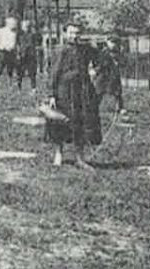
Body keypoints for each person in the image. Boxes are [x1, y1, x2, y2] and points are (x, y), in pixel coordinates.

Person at [44, 22, 101, 169]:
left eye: (77, 33)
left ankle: (79, 158)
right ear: (65, 34)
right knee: (59, 122)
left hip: (82, 90)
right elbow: (53, 73)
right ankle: (58, 154)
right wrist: (51, 94)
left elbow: (101, 59)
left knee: (80, 123)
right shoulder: (60, 50)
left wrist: (95, 70)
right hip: (64, 90)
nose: (74, 36)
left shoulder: (85, 49)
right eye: (71, 33)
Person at [94, 33, 126, 114]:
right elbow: (100, 62)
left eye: (115, 43)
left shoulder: (119, 53)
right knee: (99, 90)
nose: (113, 45)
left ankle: (120, 107)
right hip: (103, 74)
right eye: (111, 42)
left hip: (113, 74)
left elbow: (123, 63)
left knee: (117, 91)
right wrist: (98, 69)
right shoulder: (104, 51)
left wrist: (118, 62)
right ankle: (94, 106)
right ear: (107, 42)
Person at [0, 15, 20, 90]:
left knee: (10, 69)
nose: (14, 25)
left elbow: (16, 43)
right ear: (8, 24)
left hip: (12, 52)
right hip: (3, 52)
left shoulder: (15, 32)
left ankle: (10, 84)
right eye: (12, 24)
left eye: (15, 24)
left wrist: (17, 53)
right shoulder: (1, 31)